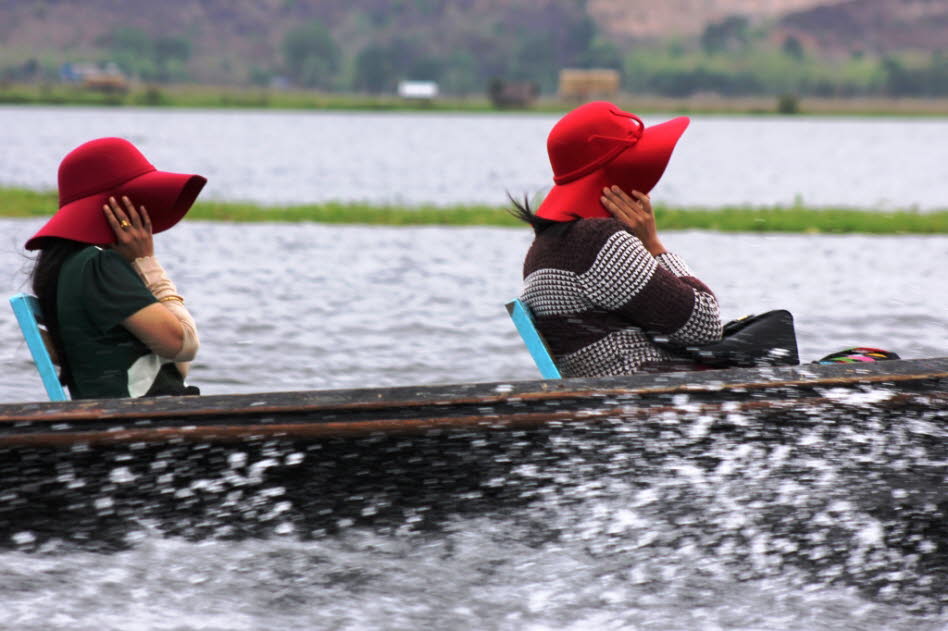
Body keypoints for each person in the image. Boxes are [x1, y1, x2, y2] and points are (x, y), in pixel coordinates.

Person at [511, 101, 723, 377]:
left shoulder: (540, 250)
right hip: (649, 401)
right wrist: (654, 246)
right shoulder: (597, 242)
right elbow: (705, 326)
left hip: (608, 401)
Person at [25, 137, 206, 399]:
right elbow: (183, 346)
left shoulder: (71, 265)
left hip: (126, 417)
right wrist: (148, 263)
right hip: (143, 418)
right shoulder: (99, 265)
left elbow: (177, 365)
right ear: (117, 210)